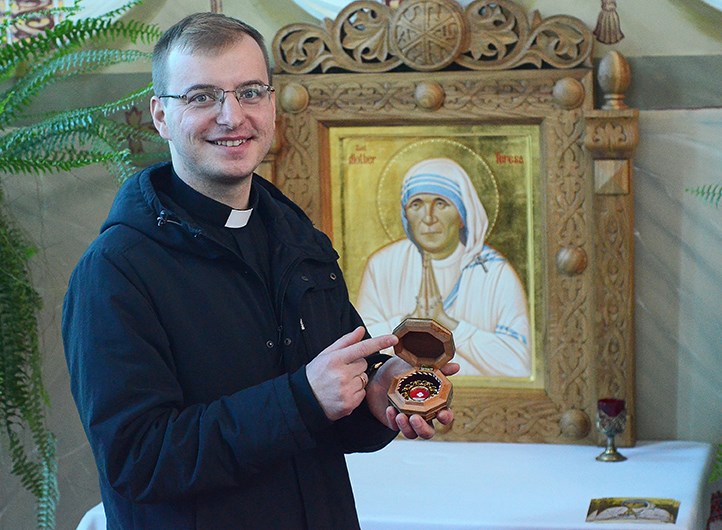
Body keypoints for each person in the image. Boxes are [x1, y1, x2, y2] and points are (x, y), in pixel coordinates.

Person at [62, 13, 457, 530]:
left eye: (250, 92)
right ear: (160, 115)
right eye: (202, 96)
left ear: (271, 104)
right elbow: (139, 460)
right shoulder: (114, 272)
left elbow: (327, 415)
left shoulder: (300, 244)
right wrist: (302, 399)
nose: (232, 116)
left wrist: (377, 396)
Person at [357, 157, 532, 377]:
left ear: (462, 215)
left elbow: (520, 364)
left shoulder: (495, 273)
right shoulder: (383, 266)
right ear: (405, 214)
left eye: (441, 203)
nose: (428, 218)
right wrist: (406, 322)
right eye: (416, 204)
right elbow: (358, 348)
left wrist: (451, 325)